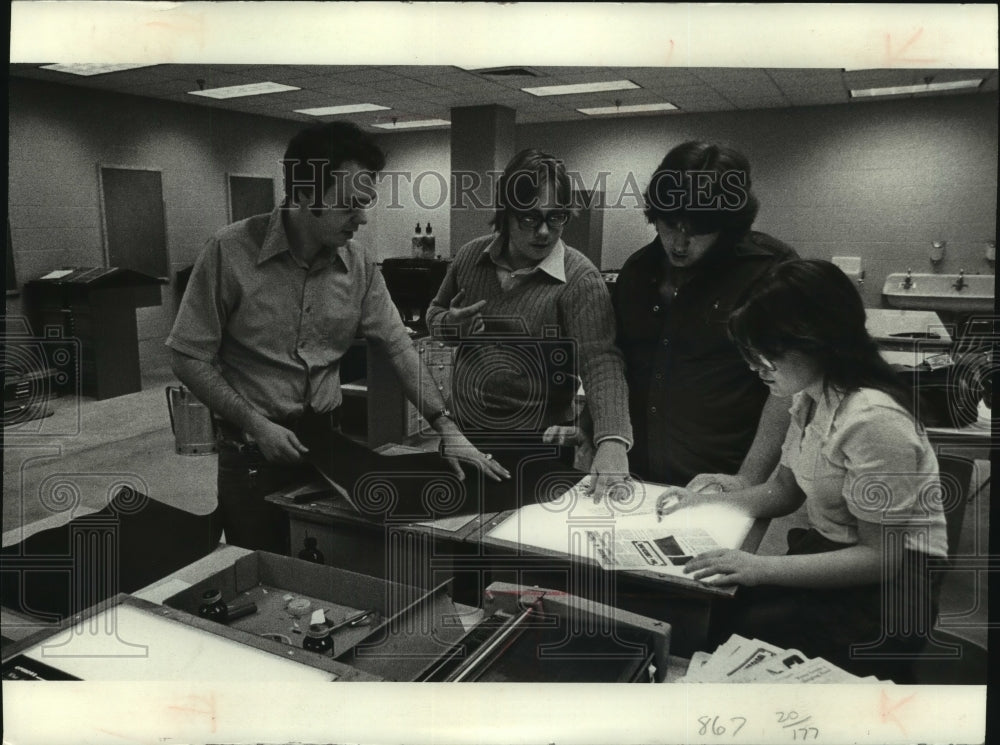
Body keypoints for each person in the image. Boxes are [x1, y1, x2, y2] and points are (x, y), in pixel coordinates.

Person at [167, 122, 507, 553]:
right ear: (307, 194)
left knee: (329, 564)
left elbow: (398, 345)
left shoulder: (359, 263)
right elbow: (187, 357)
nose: (362, 218)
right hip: (253, 453)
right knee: (260, 573)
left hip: (328, 448)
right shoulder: (229, 252)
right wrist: (256, 423)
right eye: (350, 205)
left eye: (366, 204)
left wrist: (445, 425)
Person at [656, 259, 947, 671]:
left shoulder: (873, 419)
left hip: (890, 592)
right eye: (750, 352)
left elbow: (881, 559)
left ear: (817, 341)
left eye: (767, 353)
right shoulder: (810, 396)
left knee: (736, 629)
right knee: (718, 609)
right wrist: (705, 503)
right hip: (839, 555)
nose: (755, 367)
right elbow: (783, 492)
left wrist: (759, 566)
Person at [426, 149, 632, 500]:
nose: (543, 231)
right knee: (455, 540)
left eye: (556, 217)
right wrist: (450, 326)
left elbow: (601, 362)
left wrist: (612, 440)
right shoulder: (470, 257)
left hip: (540, 442)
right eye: (528, 218)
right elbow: (434, 317)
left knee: (517, 545)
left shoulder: (580, 278)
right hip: (464, 433)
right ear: (505, 214)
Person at [613, 141, 797, 488]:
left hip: (721, 475)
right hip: (634, 472)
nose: (680, 244)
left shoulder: (769, 269)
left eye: (698, 231)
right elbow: (615, 363)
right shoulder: (637, 270)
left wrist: (748, 479)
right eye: (670, 225)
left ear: (727, 224)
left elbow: (787, 387)